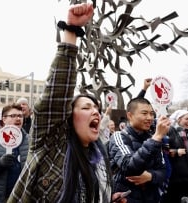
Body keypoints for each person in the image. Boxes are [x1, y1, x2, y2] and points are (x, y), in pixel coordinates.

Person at [8, 3, 126, 202]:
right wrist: (71, 31)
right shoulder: (48, 143)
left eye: (96, 108)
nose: (96, 112)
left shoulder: (99, 155)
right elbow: (57, 94)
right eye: (86, 107)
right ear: (69, 117)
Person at [108, 97, 171, 202]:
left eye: (151, 113)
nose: (150, 118)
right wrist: (155, 138)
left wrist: (150, 176)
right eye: (144, 113)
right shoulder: (119, 136)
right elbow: (128, 166)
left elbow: (164, 171)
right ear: (130, 115)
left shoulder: (153, 139)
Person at [161, 109, 188, 203]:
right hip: (175, 177)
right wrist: (176, 151)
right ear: (179, 119)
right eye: (186, 119)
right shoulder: (170, 130)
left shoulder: (186, 132)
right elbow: (163, 150)